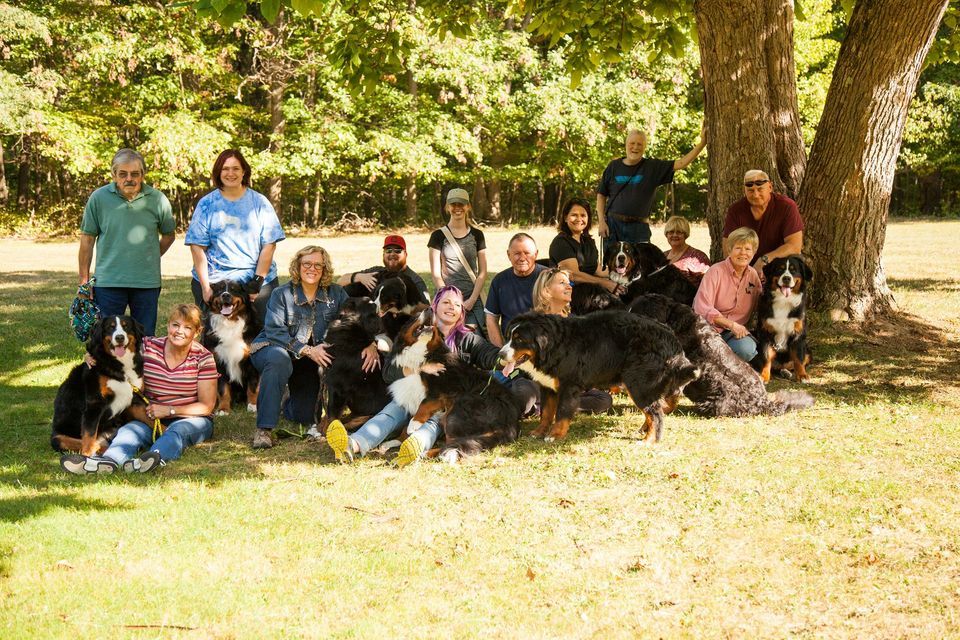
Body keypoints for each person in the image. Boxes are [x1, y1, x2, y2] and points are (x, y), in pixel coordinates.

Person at [325, 285, 501, 468]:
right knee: (391, 412)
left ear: (461, 312)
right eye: (446, 302)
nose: (451, 307)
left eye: (457, 305)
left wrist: (505, 358)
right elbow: (388, 373)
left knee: (434, 422)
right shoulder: (415, 328)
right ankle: (352, 444)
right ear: (435, 306)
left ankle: (415, 446)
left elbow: (489, 355)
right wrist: (419, 368)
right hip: (408, 396)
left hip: (443, 403)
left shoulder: (468, 339)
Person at [59, 304, 218, 475]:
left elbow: (207, 406)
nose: (179, 331)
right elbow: (113, 349)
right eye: (175, 325)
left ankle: (152, 458)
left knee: (176, 432)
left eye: (188, 327)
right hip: (150, 415)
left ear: (197, 332)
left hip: (191, 418)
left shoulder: (204, 358)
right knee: (128, 432)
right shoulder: (148, 347)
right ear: (168, 326)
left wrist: (170, 410)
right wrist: (90, 356)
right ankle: (105, 463)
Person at [249, 246, 378, 449]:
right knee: (278, 359)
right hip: (274, 348)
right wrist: (308, 350)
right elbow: (275, 332)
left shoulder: (336, 293)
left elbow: (356, 318)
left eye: (318, 265)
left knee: (305, 415)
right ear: (298, 267)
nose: (312, 269)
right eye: (307, 264)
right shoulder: (281, 294)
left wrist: (370, 342)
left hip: (309, 360)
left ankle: (286, 401)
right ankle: (264, 430)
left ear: (324, 268)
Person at [78, 148, 176, 336]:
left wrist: (149, 255)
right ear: (114, 175)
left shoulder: (158, 200)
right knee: (108, 339)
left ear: (143, 175)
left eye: (135, 174)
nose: (129, 178)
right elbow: (87, 239)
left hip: (147, 282)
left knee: (145, 337)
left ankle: (142, 367)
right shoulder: (99, 198)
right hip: (108, 282)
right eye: (123, 174)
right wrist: (83, 282)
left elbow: (169, 235)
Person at [185, 149, 285, 325]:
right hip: (215, 281)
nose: (230, 173)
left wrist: (257, 283)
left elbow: (269, 245)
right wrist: (206, 286)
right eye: (225, 169)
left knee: (263, 335)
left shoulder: (259, 203)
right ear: (218, 172)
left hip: (256, 280)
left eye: (235, 168)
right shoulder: (207, 204)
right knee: (213, 337)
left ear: (244, 171)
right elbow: (197, 247)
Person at [597, 126, 707, 255]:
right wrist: (601, 222)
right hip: (613, 225)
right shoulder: (613, 166)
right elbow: (601, 195)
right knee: (611, 267)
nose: (635, 147)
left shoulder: (652, 167)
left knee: (641, 266)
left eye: (639, 144)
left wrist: (702, 143)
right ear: (626, 145)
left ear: (644, 147)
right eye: (632, 143)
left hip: (638, 228)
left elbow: (681, 163)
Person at [530, 268, 613, 415]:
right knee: (527, 390)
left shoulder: (575, 321)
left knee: (604, 399)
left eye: (569, 283)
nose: (569, 287)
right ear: (546, 290)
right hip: (544, 384)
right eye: (562, 283)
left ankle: (557, 407)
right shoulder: (535, 323)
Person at [694, 227, 763, 363]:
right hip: (709, 330)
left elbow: (761, 302)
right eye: (738, 248)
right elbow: (701, 308)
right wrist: (731, 325)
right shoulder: (716, 272)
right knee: (706, 354)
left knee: (746, 349)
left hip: (736, 335)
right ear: (729, 250)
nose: (743, 253)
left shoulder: (753, 275)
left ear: (754, 252)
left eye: (748, 249)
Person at [428, 188, 488, 334]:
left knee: (475, 342)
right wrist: (449, 298)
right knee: (448, 344)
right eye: (453, 204)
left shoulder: (477, 235)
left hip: (473, 300)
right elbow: (436, 274)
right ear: (448, 207)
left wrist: (472, 300)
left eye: (461, 204)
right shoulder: (437, 236)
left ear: (468, 206)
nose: (457, 208)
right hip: (447, 299)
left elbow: (482, 272)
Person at [722, 169, 804, 271]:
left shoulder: (786, 206)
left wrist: (764, 260)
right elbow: (727, 248)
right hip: (744, 266)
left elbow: (794, 246)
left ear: (770, 187)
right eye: (750, 191)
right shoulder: (736, 210)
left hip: (777, 267)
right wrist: (743, 271)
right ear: (745, 191)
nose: (756, 195)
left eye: (760, 189)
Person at [549, 198, 622, 296]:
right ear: (566, 218)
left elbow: (597, 269)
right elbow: (573, 275)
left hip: (589, 292)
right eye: (574, 215)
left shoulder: (588, 242)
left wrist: (621, 274)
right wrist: (605, 283)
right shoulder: (561, 243)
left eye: (583, 215)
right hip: (569, 295)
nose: (579, 219)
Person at [484, 233, 547, 347]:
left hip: (543, 345)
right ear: (509, 255)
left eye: (527, 253)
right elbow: (491, 319)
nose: (522, 258)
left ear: (536, 254)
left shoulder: (549, 278)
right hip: (511, 346)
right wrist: (500, 351)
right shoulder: (499, 281)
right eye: (517, 253)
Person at [336, 234, 429, 301]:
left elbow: (426, 309)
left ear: (406, 254)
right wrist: (359, 277)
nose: (392, 254)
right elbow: (339, 282)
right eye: (388, 251)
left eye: (397, 251)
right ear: (383, 254)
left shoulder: (414, 280)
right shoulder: (375, 272)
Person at [663, 215, 711, 285]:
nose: (675, 235)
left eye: (679, 232)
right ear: (666, 235)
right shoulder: (662, 256)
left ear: (685, 235)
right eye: (671, 232)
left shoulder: (697, 257)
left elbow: (709, 283)